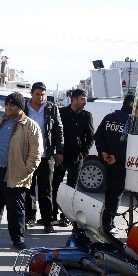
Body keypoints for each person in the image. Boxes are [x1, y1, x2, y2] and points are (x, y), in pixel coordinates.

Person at [0, 92, 43, 249]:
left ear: (20, 107)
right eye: (7, 104)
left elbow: (36, 153)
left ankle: (17, 239)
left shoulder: (30, 126)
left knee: (15, 210)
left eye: (12, 105)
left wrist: (26, 170)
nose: (8, 107)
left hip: (15, 174)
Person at [24, 81, 64, 233]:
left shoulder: (51, 108)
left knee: (46, 190)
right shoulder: (24, 108)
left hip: (46, 156)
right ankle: (29, 218)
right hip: (27, 155)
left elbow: (58, 130)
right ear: (31, 94)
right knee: (28, 188)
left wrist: (59, 150)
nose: (40, 97)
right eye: (37, 94)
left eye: (43, 94)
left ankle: (47, 221)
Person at [51, 89, 93, 226]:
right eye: (82, 98)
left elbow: (90, 136)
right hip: (61, 155)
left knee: (71, 188)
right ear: (74, 99)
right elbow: (55, 133)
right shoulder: (61, 113)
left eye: (85, 98)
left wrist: (84, 152)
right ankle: (53, 214)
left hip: (76, 156)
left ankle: (66, 216)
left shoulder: (87, 116)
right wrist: (57, 151)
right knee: (55, 185)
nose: (84, 101)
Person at [94, 93, 134, 232]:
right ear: (131, 104)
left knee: (108, 192)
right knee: (116, 194)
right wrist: (116, 157)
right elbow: (131, 144)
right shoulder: (132, 121)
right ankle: (108, 223)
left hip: (106, 161)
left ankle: (106, 221)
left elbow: (98, 135)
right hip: (120, 163)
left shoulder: (109, 117)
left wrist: (103, 152)